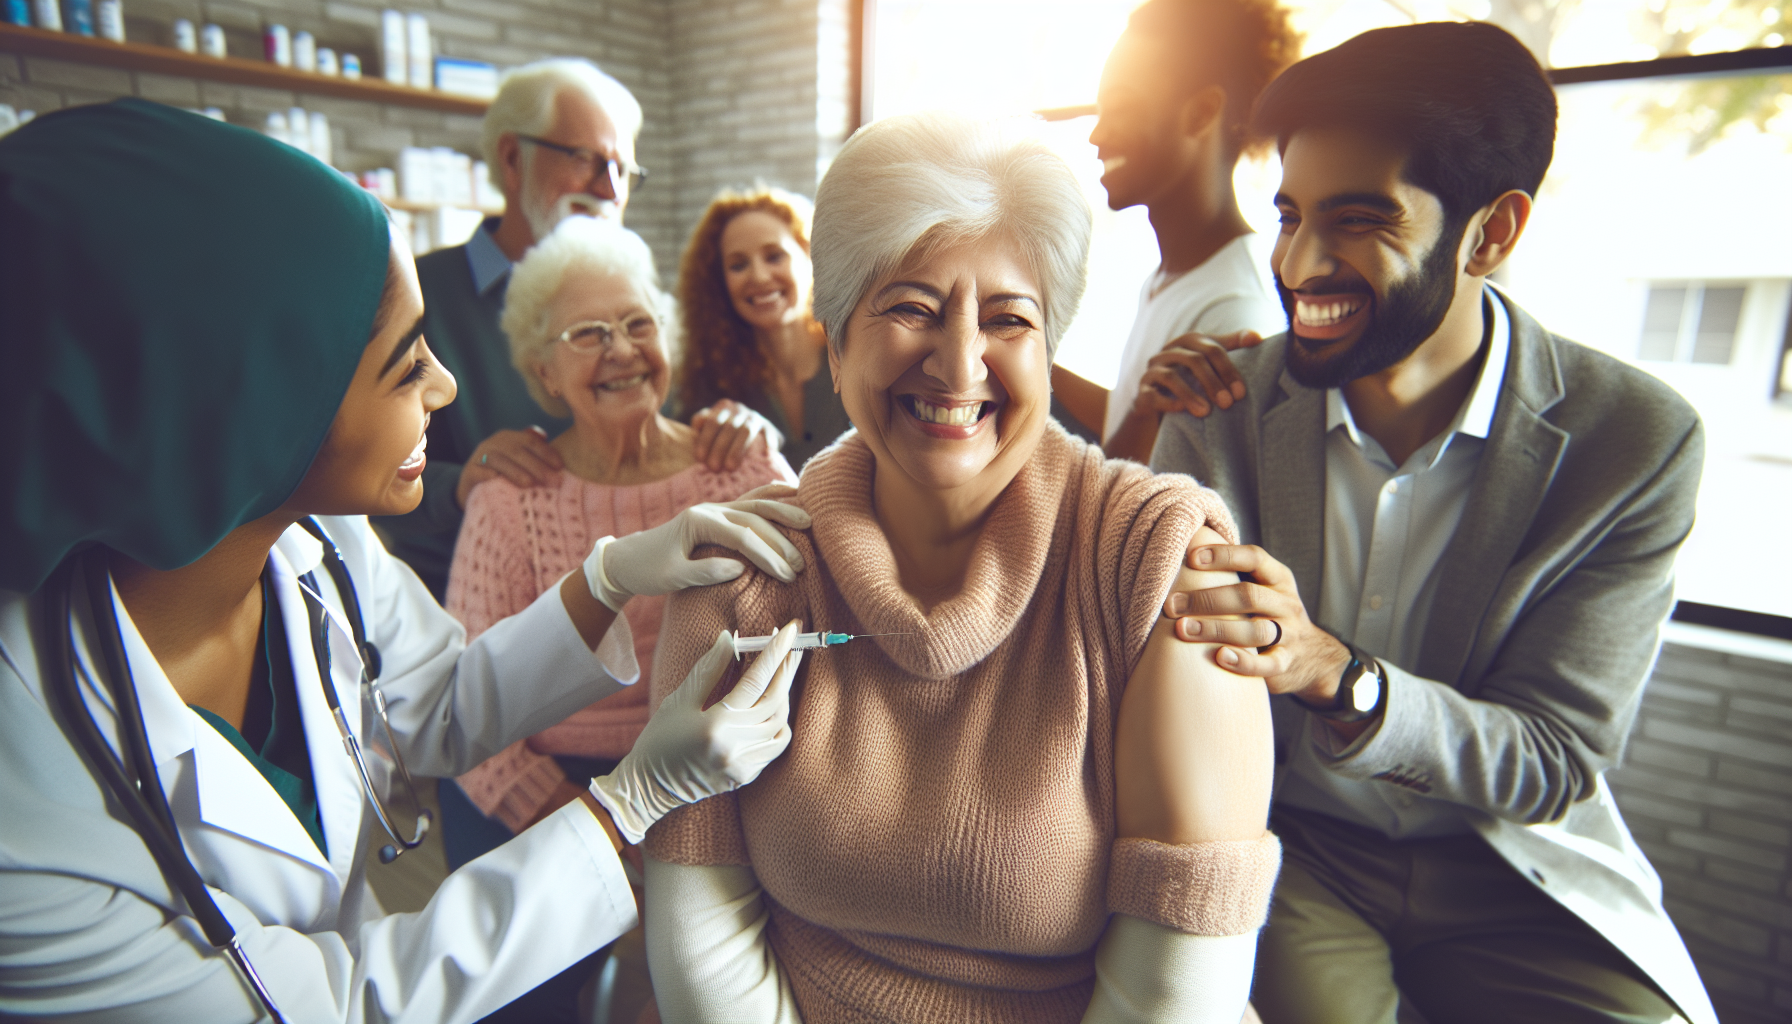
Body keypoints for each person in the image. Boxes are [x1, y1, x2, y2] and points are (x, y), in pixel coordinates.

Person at [0, 99, 811, 1022]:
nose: (449, 385)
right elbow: (334, 1006)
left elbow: (434, 704)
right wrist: (628, 810)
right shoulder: (24, 805)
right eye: (403, 362)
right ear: (256, 417)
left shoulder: (317, 541)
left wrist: (607, 578)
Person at [638, 112, 1282, 1024]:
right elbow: (703, 940)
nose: (960, 364)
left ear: (1049, 348)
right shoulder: (745, 572)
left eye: (1009, 319)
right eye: (911, 308)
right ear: (837, 342)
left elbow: (1175, 994)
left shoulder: (1160, 570)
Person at [1149, 23, 1717, 1024]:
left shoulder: (1635, 440)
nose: (1298, 263)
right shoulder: (1218, 405)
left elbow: (1550, 759)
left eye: (1357, 218)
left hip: (1509, 863)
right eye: (1288, 215)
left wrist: (1336, 672)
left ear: (1491, 232)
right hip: (1298, 850)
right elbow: (1155, 675)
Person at [445, 216, 798, 860]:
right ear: (544, 371)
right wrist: (590, 832)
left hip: (720, 771)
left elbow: (805, 645)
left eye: (639, 324)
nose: (622, 350)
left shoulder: (744, 466)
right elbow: (468, 715)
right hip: (558, 791)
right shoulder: (508, 504)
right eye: (588, 334)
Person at [375, 58, 776, 599]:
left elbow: (678, 432)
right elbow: (360, 472)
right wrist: (460, 484)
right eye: (587, 160)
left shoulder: (635, 295)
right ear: (513, 158)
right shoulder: (416, 296)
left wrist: (744, 427)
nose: (609, 189)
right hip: (468, 610)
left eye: (623, 170)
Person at [1053, 0, 1299, 462]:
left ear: (1202, 112)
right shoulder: (1171, 276)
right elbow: (1129, 415)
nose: (1096, 134)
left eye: (1121, 108)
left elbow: (1148, 506)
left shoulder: (1235, 318)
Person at [672, 185, 853, 470]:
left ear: (810, 256)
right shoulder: (710, 389)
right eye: (738, 265)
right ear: (719, 283)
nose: (759, 276)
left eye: (774, 256)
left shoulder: (855, 355)